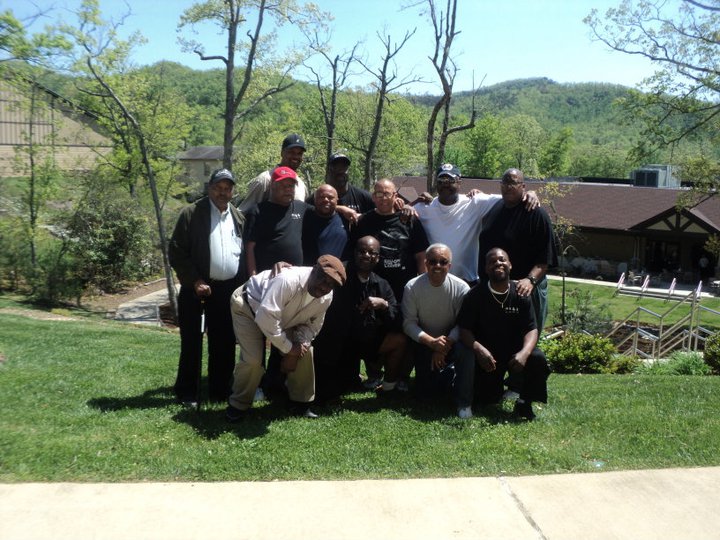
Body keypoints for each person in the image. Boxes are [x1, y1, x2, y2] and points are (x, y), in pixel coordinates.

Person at [226, 255, 347, 420]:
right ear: (314, 270)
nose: (325, 287)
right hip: (248, 306)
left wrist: (298, 348)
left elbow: (312, 326)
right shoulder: (287, 280)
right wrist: (290, 349)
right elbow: (266, 319)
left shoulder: (326, 296)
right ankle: (238, 405)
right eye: (323, 279)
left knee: (305, 351)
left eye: (331, 284)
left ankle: (300, 404)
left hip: (281, 315)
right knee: (253, 360)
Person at [168, 168, 245, 407]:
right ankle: (187, 392)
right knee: (192, 342)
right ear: (209, 188)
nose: (222, 193)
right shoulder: (191, 213)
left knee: (224, 342)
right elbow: (177, 251)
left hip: (226, 290)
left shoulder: (238, 217)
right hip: (197, 288)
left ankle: (219, 390)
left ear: (232, 192)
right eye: (218, 188)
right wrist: (195, 280)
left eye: (227, 189)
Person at [350, 178, 430, 388]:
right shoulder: (364, 221)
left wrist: (423, 283)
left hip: (404, 287)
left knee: (405, 329)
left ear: (395, 196)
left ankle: (401, 376)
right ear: (373, 196)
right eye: (378, 193)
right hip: (372, 286)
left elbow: (421, 255)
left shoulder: (409, 219)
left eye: (387, 193)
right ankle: (374, 374)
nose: (383, 197)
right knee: (372, 329)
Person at [457, 247, 551, 420]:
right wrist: (478, 349)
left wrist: (524, 353)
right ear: (486, 269)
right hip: (488, 357)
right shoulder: (475, 295)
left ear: (510, 265)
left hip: (514, 353)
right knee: (487, 400)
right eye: (492, 261)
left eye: (502, 260)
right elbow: (464, 330)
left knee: (537, 358)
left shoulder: (521, 293)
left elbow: (531, 328)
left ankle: (524, 403)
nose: (498, 263)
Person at [312, 236, 405, 403]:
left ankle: (388, 388)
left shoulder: (381, 284)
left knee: (399, 340)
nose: (366, 255)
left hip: (366, 341)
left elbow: (397, 319)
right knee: (331, 390)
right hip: (337, 342)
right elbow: (313, 276)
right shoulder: (339, 276)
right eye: (362, 251)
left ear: (378, 257)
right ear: (354, 253)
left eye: (372, 252)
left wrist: (383, 304)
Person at [414, 163, 539, 286]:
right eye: (441, 180)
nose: (445, 184)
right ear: (436, 183)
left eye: (450, 180)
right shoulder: (424, 208)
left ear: (459, 182)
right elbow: (402, 212)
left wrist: (529, 192)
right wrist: (408, 206)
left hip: (468, 281)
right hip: (435, 280)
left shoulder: (474, 202)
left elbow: (510, 196)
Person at [478, 168, 557, 332]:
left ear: (523, 186)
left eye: (513, 183)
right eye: (505, 182)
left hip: (525, 291)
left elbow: (545, 259)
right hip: (494, 289)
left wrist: (530, 280)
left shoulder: (536, 214)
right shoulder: (495, 208)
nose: (508, 187)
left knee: (527, 340)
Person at [402, 244, 473, 403]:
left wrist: (443, 346)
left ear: (450, 265)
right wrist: (432, 342)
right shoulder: (412, 287)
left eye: (443, 262)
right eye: (433, 261)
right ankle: (405, 380)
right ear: (426, 263)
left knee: (464, 351)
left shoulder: (462, 288)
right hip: (422, 342)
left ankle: (459, 387)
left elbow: (462, 324)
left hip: (452, 341)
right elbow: (408, 324)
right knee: (425, 394)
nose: (437, 265)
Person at [243, 166, 311, 276]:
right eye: (283, 185)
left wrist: (340, 208)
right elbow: (249, 248)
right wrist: (253, 278)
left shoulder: (301, 207)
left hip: (296, 276)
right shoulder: (257, 211)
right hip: (268, 277)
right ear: (272, 185)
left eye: (291, 186)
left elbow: (324, 210)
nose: (288, 189)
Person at [238, 133, 309, 213]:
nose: (295, 156)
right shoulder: (264, 180)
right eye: (291, 152)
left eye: (299, 153)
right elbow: (244, 213)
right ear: (282, 153)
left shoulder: (301, 185)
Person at [308, 152, 375, 229]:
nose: (340, 171)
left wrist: (363, 217)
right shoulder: (317, 198)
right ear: (329, 171)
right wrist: (341, 209)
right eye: (336, 167)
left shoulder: (364, 197)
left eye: (344, 167)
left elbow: (380, 215)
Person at [301, 184, 348, 265]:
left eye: (330, 197)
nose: (326, 200)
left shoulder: (347, 219)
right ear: (314, 199)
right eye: (321, 197)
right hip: (309, 270)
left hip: (340, 270)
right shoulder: (304, 217)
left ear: (337, 200)